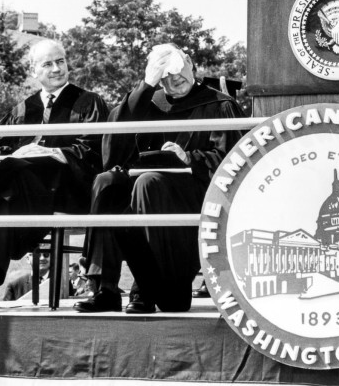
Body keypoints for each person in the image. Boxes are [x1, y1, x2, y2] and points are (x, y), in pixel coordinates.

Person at [75, 44, 243, 314]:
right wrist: (145, 86)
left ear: (189, 62)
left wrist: (189, 158)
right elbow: (112, 150)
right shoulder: (147, 104)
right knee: (106, 181)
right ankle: (104, 289)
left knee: (148, 182)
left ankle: (144, 289)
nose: (174, 78)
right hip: (147, 187)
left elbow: (233, 162)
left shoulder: (219, 104)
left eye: (178, 70)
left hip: (197, 193)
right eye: (164, 75)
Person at [0, 39, 108, 313]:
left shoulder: (88, 102)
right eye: (48, 64)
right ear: (34, 71)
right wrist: (18, 153)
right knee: (7, 190)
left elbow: (96, 152)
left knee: (4, 188)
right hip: (24, 196)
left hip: (69, 191)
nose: (57, 68)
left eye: (61, 61)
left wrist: (54, 152)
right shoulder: (22, 109)